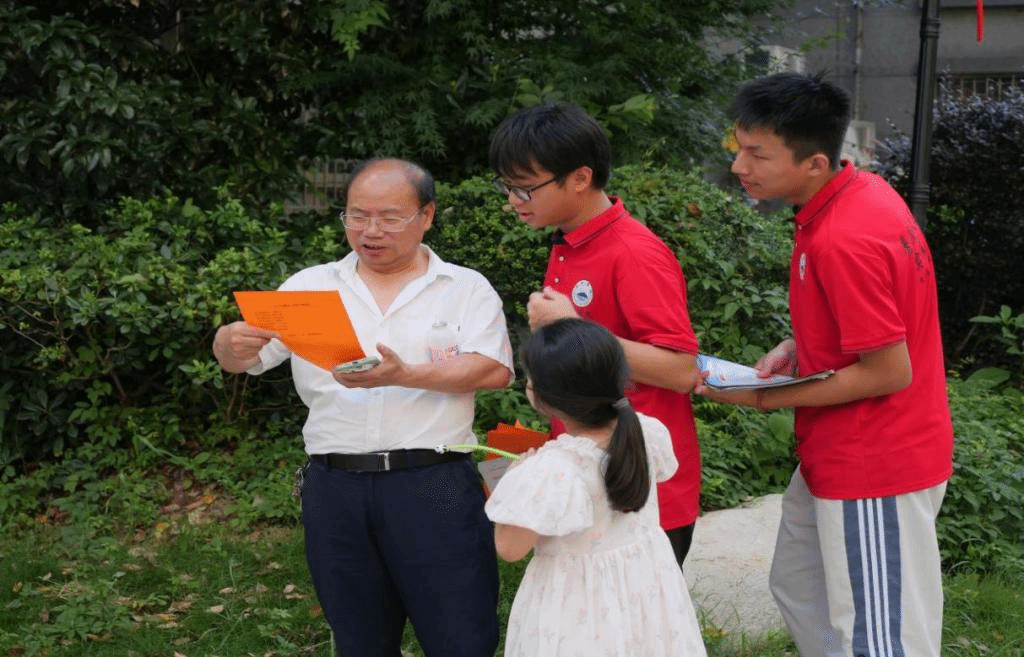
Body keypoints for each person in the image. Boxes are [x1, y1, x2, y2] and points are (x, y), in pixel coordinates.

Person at [212, 157, 514, 657]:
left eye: (389, 217)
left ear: (426, 215)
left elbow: (493, 369)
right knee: (359, 642)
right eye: (357, 216)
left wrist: (404, 374)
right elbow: (247, 360)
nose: (370, 231)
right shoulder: (309, 285)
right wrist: (227, 343)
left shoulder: (464, 288)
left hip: (433, 484)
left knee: (461, 639)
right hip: (336, 489)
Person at [696, 71, 954, 657]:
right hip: (842, 449)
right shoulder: (859, 192)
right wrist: (801, 345)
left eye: (757, 154)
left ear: (814, 162)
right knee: (801, 586)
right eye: (739, 147)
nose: (739, 166)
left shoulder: (845, 237)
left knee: (880, 638)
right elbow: (877, 315)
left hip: (875, 460)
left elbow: (889, 371)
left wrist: (764, 396)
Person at [488, 101, 702, 566]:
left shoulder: (635, 253)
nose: (513, 200)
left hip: (640, 491)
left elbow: (682, 371)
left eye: (525, 188)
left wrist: (574, 327)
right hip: (585, 479)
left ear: (580, 178)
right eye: (507, 186)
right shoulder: (568, 241)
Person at [485, 317, 708, 656]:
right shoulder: (645, 432)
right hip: (646, 591)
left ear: (543, 397)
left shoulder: (549, 470)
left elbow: (509, 547)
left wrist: (512, 480)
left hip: (577, 609)